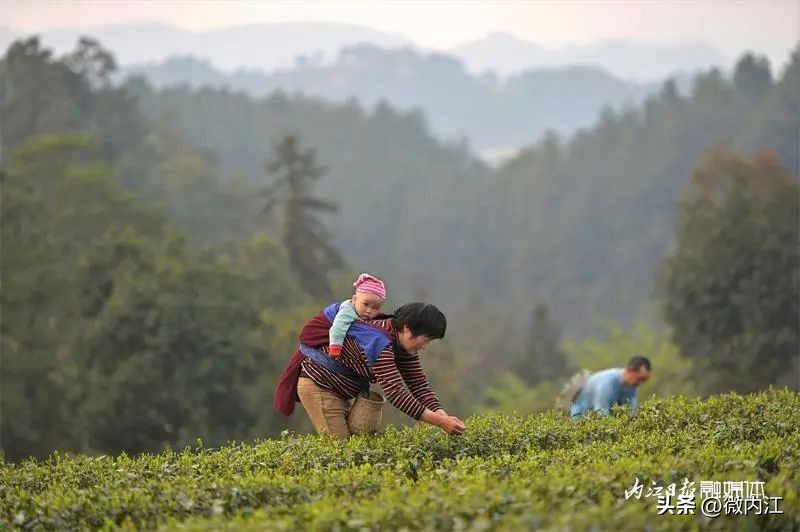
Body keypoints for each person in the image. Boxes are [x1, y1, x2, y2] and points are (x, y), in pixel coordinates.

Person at [274, 302, 467, 438]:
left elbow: (418, 385)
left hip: (343, 390)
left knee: (360, 443)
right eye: (425, 340)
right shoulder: (378, 341)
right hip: (320, 386)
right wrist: (439, 422)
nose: (425, 346)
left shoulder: (403, 345)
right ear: (408, 329)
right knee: (342, 451)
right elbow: (396, 393)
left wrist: (442, 415)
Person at [569, 356, 651, 418]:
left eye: (644, 380)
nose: (640, 383)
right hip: (581, 416)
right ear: (629, 371)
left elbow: (631, 411)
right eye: (640, 379)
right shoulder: (607, 383)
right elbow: (601, 413)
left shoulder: (632, 386)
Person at [328, 273, 386, 357]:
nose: (369, 311)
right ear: (354, 300)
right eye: (365, 304)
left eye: (375, 308)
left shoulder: (370, 317)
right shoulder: (347, 311)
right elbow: (337, 328)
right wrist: (335, 348)